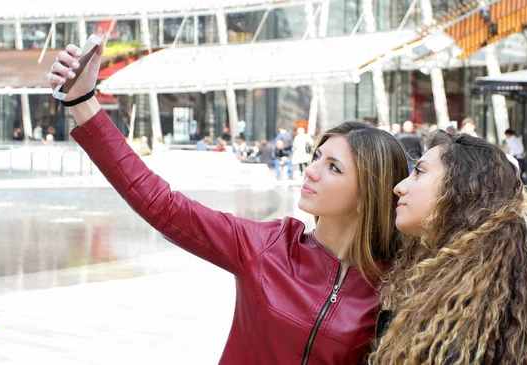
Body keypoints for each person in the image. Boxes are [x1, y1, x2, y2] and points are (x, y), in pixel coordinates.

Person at [48, 39, 411, 365]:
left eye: (333, 167)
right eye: (316, 156)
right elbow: (160, 203)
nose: (312, 171)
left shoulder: (398, 281)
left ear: (368, 195)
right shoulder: (267, 247)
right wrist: (83, 101)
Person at [368, 131, 527, 364]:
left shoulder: (461, 327)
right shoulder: (439, 283)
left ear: (460, 192)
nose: (399, 187)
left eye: (418, 172)